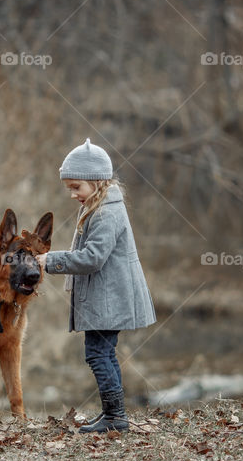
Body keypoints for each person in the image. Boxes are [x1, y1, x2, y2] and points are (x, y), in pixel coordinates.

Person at [35, 138, 157, 433]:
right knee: (103, 352)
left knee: (98, 353)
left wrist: (50, 261)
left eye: (77, 186)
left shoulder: (106, 212)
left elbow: (92, 258)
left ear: (97, 180)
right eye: (70, 188)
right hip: (105, 297)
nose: (73, 194)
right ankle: (114, 414)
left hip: (109, 298)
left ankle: (115, 416)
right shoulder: (97, 206)